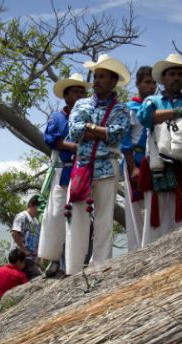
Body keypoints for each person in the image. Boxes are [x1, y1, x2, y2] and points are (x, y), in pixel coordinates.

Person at [64, 54, 131, 275]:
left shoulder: (121, 109)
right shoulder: (81, 103)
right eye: (96, 76)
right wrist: (102, 132)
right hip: (83, 168)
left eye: (103, 76)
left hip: (106, 169)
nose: (97, 80)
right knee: (77, 218)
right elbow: (74, 131)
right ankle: (74, 270)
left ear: (113, 81)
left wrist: (89, 128)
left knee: (104, 219)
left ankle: (100, 267)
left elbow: (118, 134)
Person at [137, 54, 182, 246]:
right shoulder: (152, 101)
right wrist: (180, 114)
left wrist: (169, 120)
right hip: (156, 165)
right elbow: (146, 117)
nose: (177, 78)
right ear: (163, 78)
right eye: (172, 74)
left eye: (180, 74)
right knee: (155, 214)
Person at [38, 73, 90, 277]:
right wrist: (74, 146)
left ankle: (75, 263)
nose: (79, 95)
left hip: (83, 171)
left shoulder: (89, 115)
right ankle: (53, 261)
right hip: (63, 170)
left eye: (81, 92)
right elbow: (51, 138)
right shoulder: (58, 118)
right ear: (66, 95)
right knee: (56, 215)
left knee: (79, 216)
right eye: (75, 91)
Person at [120, 66, 156, 252]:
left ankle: (152, 245)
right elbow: (124, 140)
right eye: (147, 82)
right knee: (135, 207)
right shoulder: (129, 109)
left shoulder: (157, 106)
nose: (151, 86)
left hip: (153, 161)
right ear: (138, 84)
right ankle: (136, 250)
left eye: (154, 82)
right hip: (134, 160)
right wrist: (132, 166)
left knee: (153, 204)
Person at [11, 195, 42, 280]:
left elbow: (37, 239)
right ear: (31, 205)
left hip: (31, 259)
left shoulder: (36, 221)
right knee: (37, 278)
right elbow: (15, 233)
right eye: (37, 208)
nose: (38, 211)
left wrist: (38, 256)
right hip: (21, 258)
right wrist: (23, 249)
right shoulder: (22, 216)